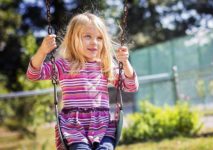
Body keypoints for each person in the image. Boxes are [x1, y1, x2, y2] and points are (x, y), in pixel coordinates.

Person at [26, 12, 139, 150]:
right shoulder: (63, 65)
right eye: (87, 36)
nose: (94, 42)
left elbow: (131, 86)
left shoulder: (105, 65)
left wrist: (125, 63)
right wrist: (42, 52)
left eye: (99, 38)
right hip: (74, 128)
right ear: (73, 39)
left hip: (102, 126)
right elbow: (33, 74)